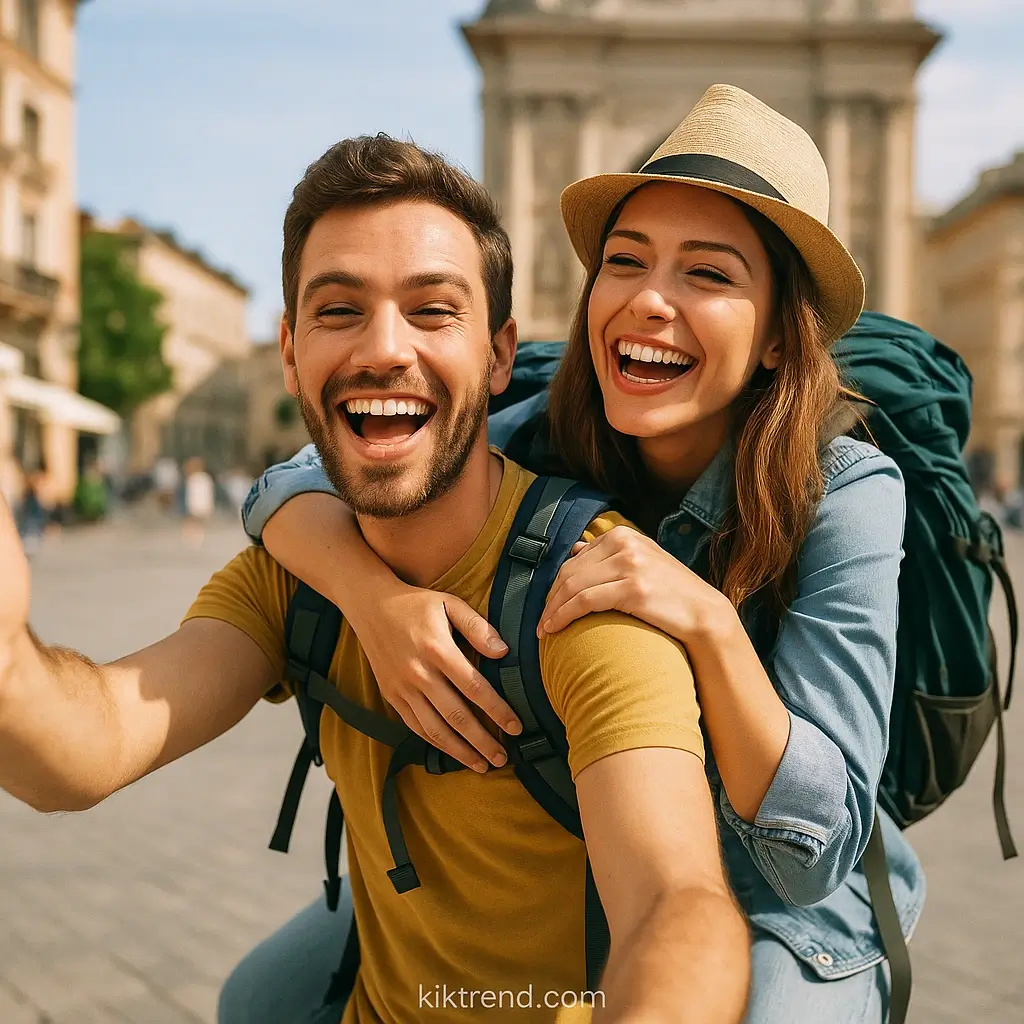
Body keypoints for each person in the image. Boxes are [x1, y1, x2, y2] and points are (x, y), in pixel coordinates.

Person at [0, 134, 750, 1024]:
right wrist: (7, 654)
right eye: (338, 311)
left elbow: (678, 905)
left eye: (433, 311)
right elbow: (88, 747)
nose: (384, 349)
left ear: (501, 355)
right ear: (288, 355)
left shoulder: (587, 592)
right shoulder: (294, 579)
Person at [227, 85, 924, 1024]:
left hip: (778, 907)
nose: (648, 300)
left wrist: (709, 624)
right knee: (261, 1000)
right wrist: (372, 601)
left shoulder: (846, 491)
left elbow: (818, 849)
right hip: (581, 852)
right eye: (624, 262)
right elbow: (294, 479)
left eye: (708, 276)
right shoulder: (537, 419)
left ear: (774, 336)